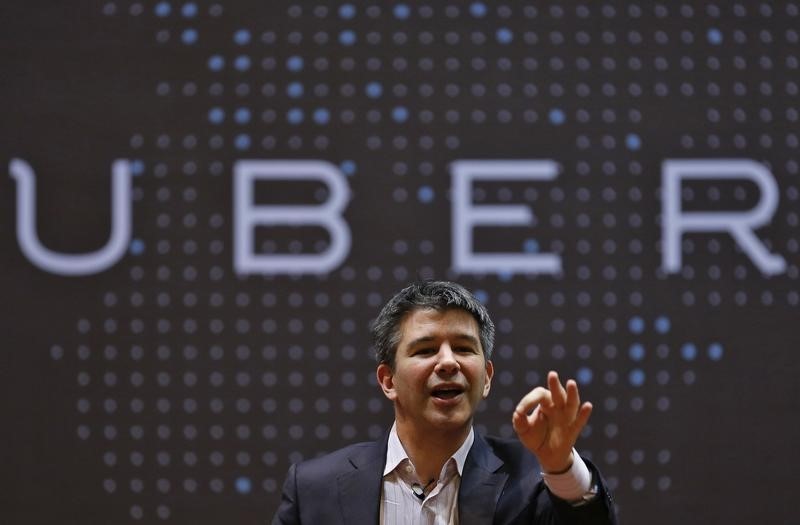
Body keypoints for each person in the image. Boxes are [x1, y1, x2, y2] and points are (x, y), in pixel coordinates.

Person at [272, 281, 618, 524]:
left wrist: (559, 465)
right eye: (425, 350)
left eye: (465, 348)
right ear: (388, 380)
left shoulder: (531, 480)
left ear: (486, 378)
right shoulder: (316, 488)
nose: (449, 363)